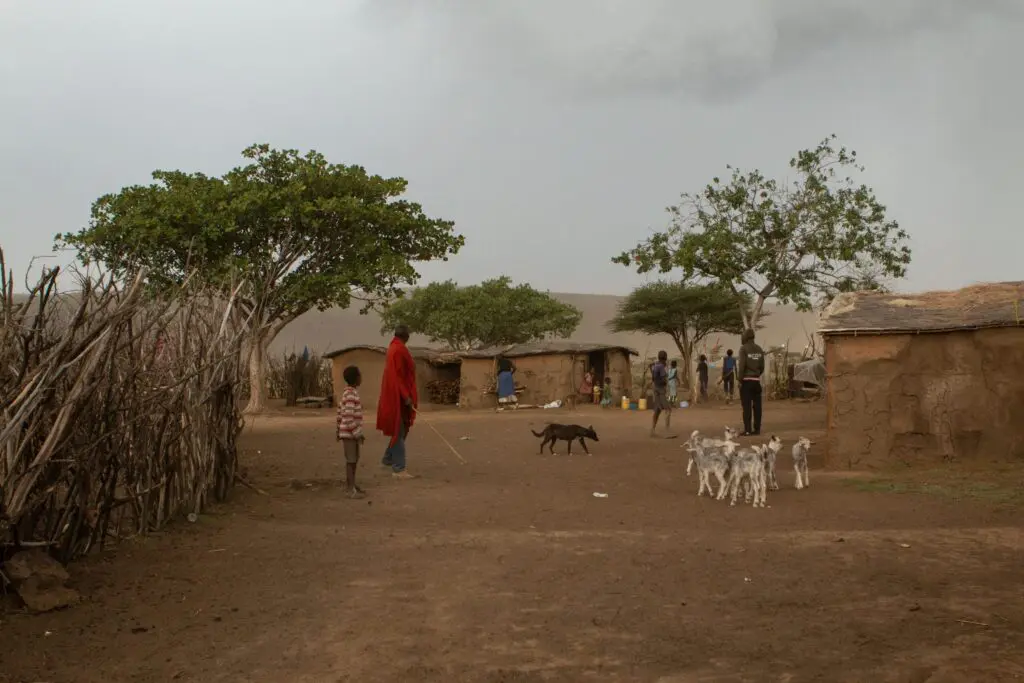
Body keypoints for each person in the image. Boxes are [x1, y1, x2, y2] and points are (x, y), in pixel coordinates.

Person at [376, 324, 419, 479]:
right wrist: (406, 395)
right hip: (397, 397)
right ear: (406, 336)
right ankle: (399, 468)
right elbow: (398, 377)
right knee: (399, 431)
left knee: (399, 430)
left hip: (396, 395)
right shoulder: (398, 350)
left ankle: (388, 459)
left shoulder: (393, 348)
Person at [336, 365, 366, 499]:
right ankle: (350, 488)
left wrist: (338, 429)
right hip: (350, 434)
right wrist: (357, 433)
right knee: (351, 460)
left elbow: (339, 414)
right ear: (356, 379)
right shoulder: (350, 394)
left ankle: (353, 485)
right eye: (360, 375)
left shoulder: (349, 393)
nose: (362, 378)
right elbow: (347, 417)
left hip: (350, 433)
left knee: (354, 459)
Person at [737, 329, 766, 436]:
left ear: (745, 337)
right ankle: (757, 429)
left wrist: (740, 380)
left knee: (747, 407)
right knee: (757, 407)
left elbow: (741, 366)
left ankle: (748, 430)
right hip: (756, 382)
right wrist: (756, 374)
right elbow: (762, 367)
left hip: (746, 382)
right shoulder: (759, 349)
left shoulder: (743, 349)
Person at [649, 350, 673, 437]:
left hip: (655, 389)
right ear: (665, 358)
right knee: (668, 409)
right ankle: (667, 431)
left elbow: (653, 378)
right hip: (661, 390)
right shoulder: (661, 367)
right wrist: (666, 380)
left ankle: (652, 430)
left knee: (657, 410)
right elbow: (663, 379)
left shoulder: (655, 366)